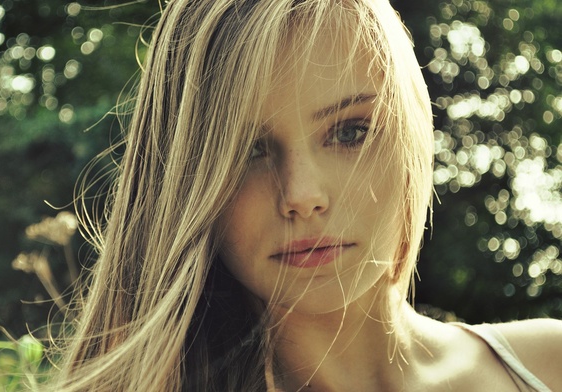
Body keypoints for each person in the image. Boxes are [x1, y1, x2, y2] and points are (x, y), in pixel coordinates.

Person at [48, 0, 562, 390]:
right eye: (246, 149)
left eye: (350, 131)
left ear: (411, 134)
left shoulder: (547, 364)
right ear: (183, 181)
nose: (302, 195)